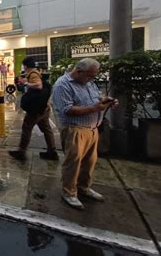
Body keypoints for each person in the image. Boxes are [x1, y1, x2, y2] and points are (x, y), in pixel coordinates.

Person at [52, 58, 119, 210]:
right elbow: (67, 110)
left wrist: (106, 100)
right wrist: (95, 108)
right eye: (90, 75)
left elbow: (96, 96)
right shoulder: (62, 85)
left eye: (93, 76)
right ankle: (69, 192)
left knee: (89, 162)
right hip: (75, 129)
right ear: (79, 71)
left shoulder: (87, 82)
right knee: (73, 163)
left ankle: (83, 187)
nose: (92, 79)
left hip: (92, 129)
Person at [9, 57, 58, 161]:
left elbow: (38, 86)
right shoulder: (36, 73)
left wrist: (27, 84)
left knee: (26, 128)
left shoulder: (33, 74)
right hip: (44, 107)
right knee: (46, 129)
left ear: (25, 66)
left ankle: (21, 152)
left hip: (36, 109)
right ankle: (52, 151)